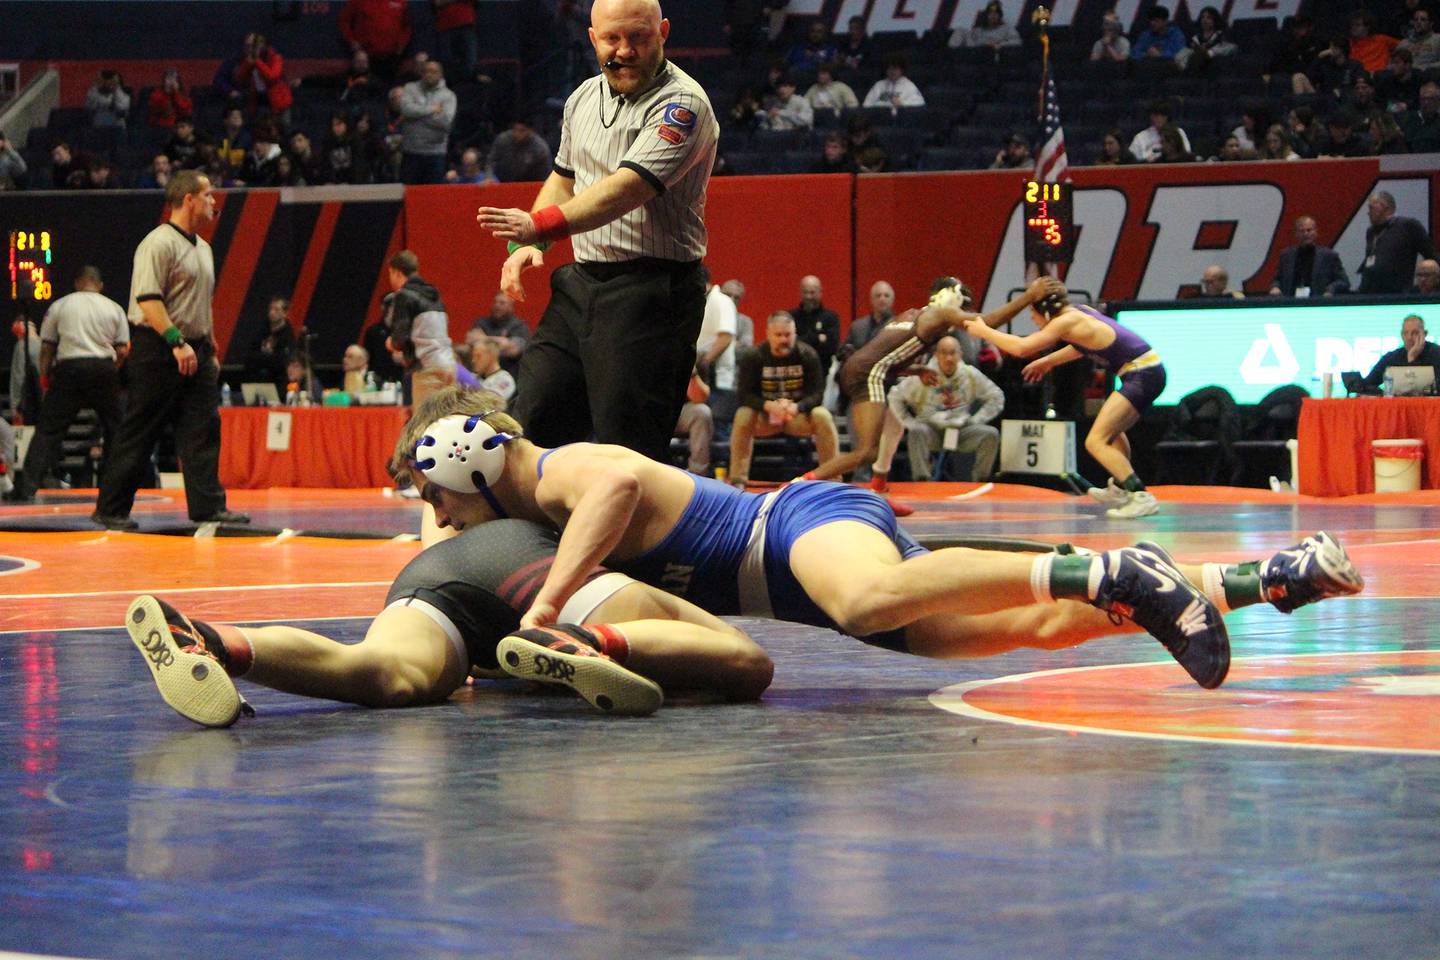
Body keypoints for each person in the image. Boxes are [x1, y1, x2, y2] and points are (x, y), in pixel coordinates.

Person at [398, 387, 1365, 695]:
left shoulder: (562, 468)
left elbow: (615, 487)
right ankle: (1271, 578)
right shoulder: (528, 514)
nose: (439, 518)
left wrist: (553, 604)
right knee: (1028, 628)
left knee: (868, 599)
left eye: (436, 496)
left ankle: (1115, 562)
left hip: (795, 530)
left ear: (471, 461)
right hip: (792, 581)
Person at [125, 518, 775, 727]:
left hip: (430, 573)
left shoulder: (455, 487)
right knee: (747, 659)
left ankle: (213, 640)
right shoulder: (572, 472)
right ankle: (586, 639)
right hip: (529, 558)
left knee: (380, 672)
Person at [475, 0, 717, 466]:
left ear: (663, 32)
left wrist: (541, 224)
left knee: (625, 449)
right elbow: (564, 179)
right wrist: (531, 243)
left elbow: (627, 189)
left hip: (652, 292)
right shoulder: (583, 97)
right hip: (582, 282)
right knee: (531, 420)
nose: (624, 51)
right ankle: (531, 536)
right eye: (612, 39)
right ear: (592, 38)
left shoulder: (684, 105)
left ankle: (633, 541)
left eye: (639, 38)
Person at [93, 171, 248, 530]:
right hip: (159, 347)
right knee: (141, 428)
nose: (214, 202)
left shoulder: (204, 248)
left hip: (195, 347)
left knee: (202, 429)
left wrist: (209, 346)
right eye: (208, 195)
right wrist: (177, 342)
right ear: (188, 199)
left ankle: (208, 506)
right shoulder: (158, 243)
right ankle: (110, 509)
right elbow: (148, 300)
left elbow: (200, 305)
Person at [963, 280, 1166, 519]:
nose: (1033, 320)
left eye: (1033, 314)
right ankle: (1123, 489)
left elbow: (1021, 347)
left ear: (1045, 311)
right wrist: (1049, 361)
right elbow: (1084, 346)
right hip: (1146, 371)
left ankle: (1141, 496)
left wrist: (983, 331)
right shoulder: (1078, 312)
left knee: (1096, 441)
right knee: (1112, 432)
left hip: (1142, 374)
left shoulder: (1064, 321)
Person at [817, 278, 1032, 491]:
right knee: (867, 452)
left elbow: (886, 358)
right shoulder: (941, 313)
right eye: (961, 307)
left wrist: (916, 370)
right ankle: (802, 481)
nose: (961, 314)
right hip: (870, 375)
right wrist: (1030, 296)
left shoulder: (909, 315)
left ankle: (878, 481)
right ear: (950, 297)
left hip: (864, 369)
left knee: (894, 419)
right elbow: (987, 322)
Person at [8, 267, 128, 503]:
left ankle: (25, 490)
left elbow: (47, 347)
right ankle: (115, 490)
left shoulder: (60, 306)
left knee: (48, 431)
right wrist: (111, 370)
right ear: (99, 285)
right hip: (103, 368)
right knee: (117, 431)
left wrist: (45, 377)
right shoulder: (114, 308)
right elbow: (122, 350)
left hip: (69, 370)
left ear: (77, 283)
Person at [727, 311, 838, 487]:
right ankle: (737, 480)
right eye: (778, 335)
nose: (783, 340)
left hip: (796, 417)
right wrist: (768, 406)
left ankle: (832, 478)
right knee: (743, 414)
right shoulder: (754, 356)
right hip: (766, 418)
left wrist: (798, 407)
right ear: (768, 334)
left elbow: (817, 393)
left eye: (788, 335)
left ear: (795, 334)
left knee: (822, 415)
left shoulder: (808, 355)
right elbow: (744, 395)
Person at [887, 335, 1003, 482]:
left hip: (960, 431)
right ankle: (921, 480)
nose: (949, 358)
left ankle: (981, 479)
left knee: (990, 434)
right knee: (916, 431)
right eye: (944, 353)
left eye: (952, 353)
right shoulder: (924, 374)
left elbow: (997, 397)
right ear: (936, 354)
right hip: (931, 431)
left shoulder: (970, 374)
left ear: (960, 354)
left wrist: (977, 419)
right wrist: (908, 422)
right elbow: (895, 396)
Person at [382, 250, 456, 407]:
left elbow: (399, 338)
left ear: (396, 272)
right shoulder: (435, 296)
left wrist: (391, 343)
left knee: (424, 423)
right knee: (445, 420)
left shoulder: (404, 296)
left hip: (427, 369)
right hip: (449, 366)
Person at [1358, 191, 1437, 294]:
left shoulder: (1408, 226)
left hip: (1398, 295)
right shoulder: (1371, 232)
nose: (1368, 212)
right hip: (1370, 295)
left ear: (1385, 208)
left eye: (1371, 207)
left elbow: (1432, 256)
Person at [396, 59, 456, 185]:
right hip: (411, 152)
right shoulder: (410, 88)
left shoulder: (449, 96)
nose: (429, 74)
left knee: (433, 196)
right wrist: (432, 109)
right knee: (409, 193)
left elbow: (445, 122)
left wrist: (417, 115)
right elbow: (406, 110)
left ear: (440, 74)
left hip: (436, 153)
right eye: (426, 71)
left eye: (433, 72)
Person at [696, 276, 738, 434]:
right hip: (705, 378)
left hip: (717, 380)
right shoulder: (705, 301)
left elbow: (725, 337)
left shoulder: (721, 301)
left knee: (719, 429)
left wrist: (704, 362)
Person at [1269, 216, 1351, 297]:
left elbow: (1343, 281)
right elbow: (1277, 279)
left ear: (1315, 232)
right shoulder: (1286, 256)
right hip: (1291, 303)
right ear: (1296, 234)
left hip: (1318, 303)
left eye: (1309, 230)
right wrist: (1275, 287)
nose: (1305, 234)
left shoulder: (1329, 256)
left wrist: (1330, 290)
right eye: (1302, 231)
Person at [1361, 314, 1440, 393]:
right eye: (1405, 333)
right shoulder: (1392, 357)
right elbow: (1367, 384)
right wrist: (1384, 393)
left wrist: (1412, 358)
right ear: (1401, 335)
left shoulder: (1436, 353)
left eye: (1415, 333)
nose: (1409, 337)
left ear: (1424, 334)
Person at [339, 0, 414, 80]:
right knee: (363, 87)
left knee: (389, 88)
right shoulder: (357, 1)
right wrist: (354, 44)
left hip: (392, 58)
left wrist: (401, 45)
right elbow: (344, 22)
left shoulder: (401, 1)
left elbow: (407, 26)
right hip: (365, 58)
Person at [469, 290, 529, 377]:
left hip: (509, 378)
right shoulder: (481, 323)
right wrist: (500, 342)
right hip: (482, 378)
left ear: (511, 307)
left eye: (502, 303)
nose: (497, 306)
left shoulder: (519, 326)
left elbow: (514, 350)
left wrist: (485, 339)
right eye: (495, 302)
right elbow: (471, 341)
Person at [244, 296, 296, 393]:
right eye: (270, 309)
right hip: (258, 381)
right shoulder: (261, 331)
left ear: (285, 313)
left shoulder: (288, 336)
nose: (272, 312)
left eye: (276, 309)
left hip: (279, 385)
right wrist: (267, 357)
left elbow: (282, 362)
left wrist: (263, 358)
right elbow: (249, 357)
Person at [791, 274, 840, 376]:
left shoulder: (831, 318)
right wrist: (817, 338)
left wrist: (801, 339)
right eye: (805, 292)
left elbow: (832, 348)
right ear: (800, 293)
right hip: (795, 372)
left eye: (812, 292)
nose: (809, 296)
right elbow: (790, 346)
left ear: (820, 292)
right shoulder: (791, 317)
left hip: (822, 372)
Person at [485, 119, 552, 184]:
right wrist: (489, 177)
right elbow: (492, 161)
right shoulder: (503, 140)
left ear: (531, 131)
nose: (517, 134)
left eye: (522, 131)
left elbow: (545, 174)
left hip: (528, 183)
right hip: (503, 181)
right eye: (515, 130)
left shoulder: (540, 148)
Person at [673, 367, 713, 475]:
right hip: (647, 408)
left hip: (678, 411)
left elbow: (700, 399)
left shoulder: (694, 356)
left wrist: (692, 373)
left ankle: (698, 475)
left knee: (702, 412)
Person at [842, 280, 896, 359]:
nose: (882, 299)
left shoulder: (899, 326)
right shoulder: (857, 326)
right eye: (878, 296)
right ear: (871, 300)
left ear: (892, 300)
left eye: (886, 295)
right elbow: (844, 351)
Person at [1175, 6, 1237, 74]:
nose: (1205, 20)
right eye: (1203, 17)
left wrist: (1205, 52)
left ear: (1215, 20)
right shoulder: (1196, 37)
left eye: (1209, 18)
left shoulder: (1220, 35)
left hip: (1212, 62)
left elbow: (1228, 48)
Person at [466, 335, 516, 404]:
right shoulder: (472, 377)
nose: (473, 360)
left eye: (478, 356)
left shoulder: (505, 379)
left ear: (491, 356)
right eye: (473, 356)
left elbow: (490, 404)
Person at [954, 1, 1020, 54]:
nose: (993, 16)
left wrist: (999, 44)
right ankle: (949, 57)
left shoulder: (1007, 28)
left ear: (1000, 16)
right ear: (986, 15)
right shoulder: (980, 28)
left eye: (996, 13)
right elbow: (972, 41)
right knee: (960, 30)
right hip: (975, 50)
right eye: (990, 13)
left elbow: (1017, 41)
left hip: (991, 53)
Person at [1400, 81, 1440, 153]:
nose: (1426, 102)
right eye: (1423, 99)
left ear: (1438, 101)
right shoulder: (1408, 121)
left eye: (1431, 99)